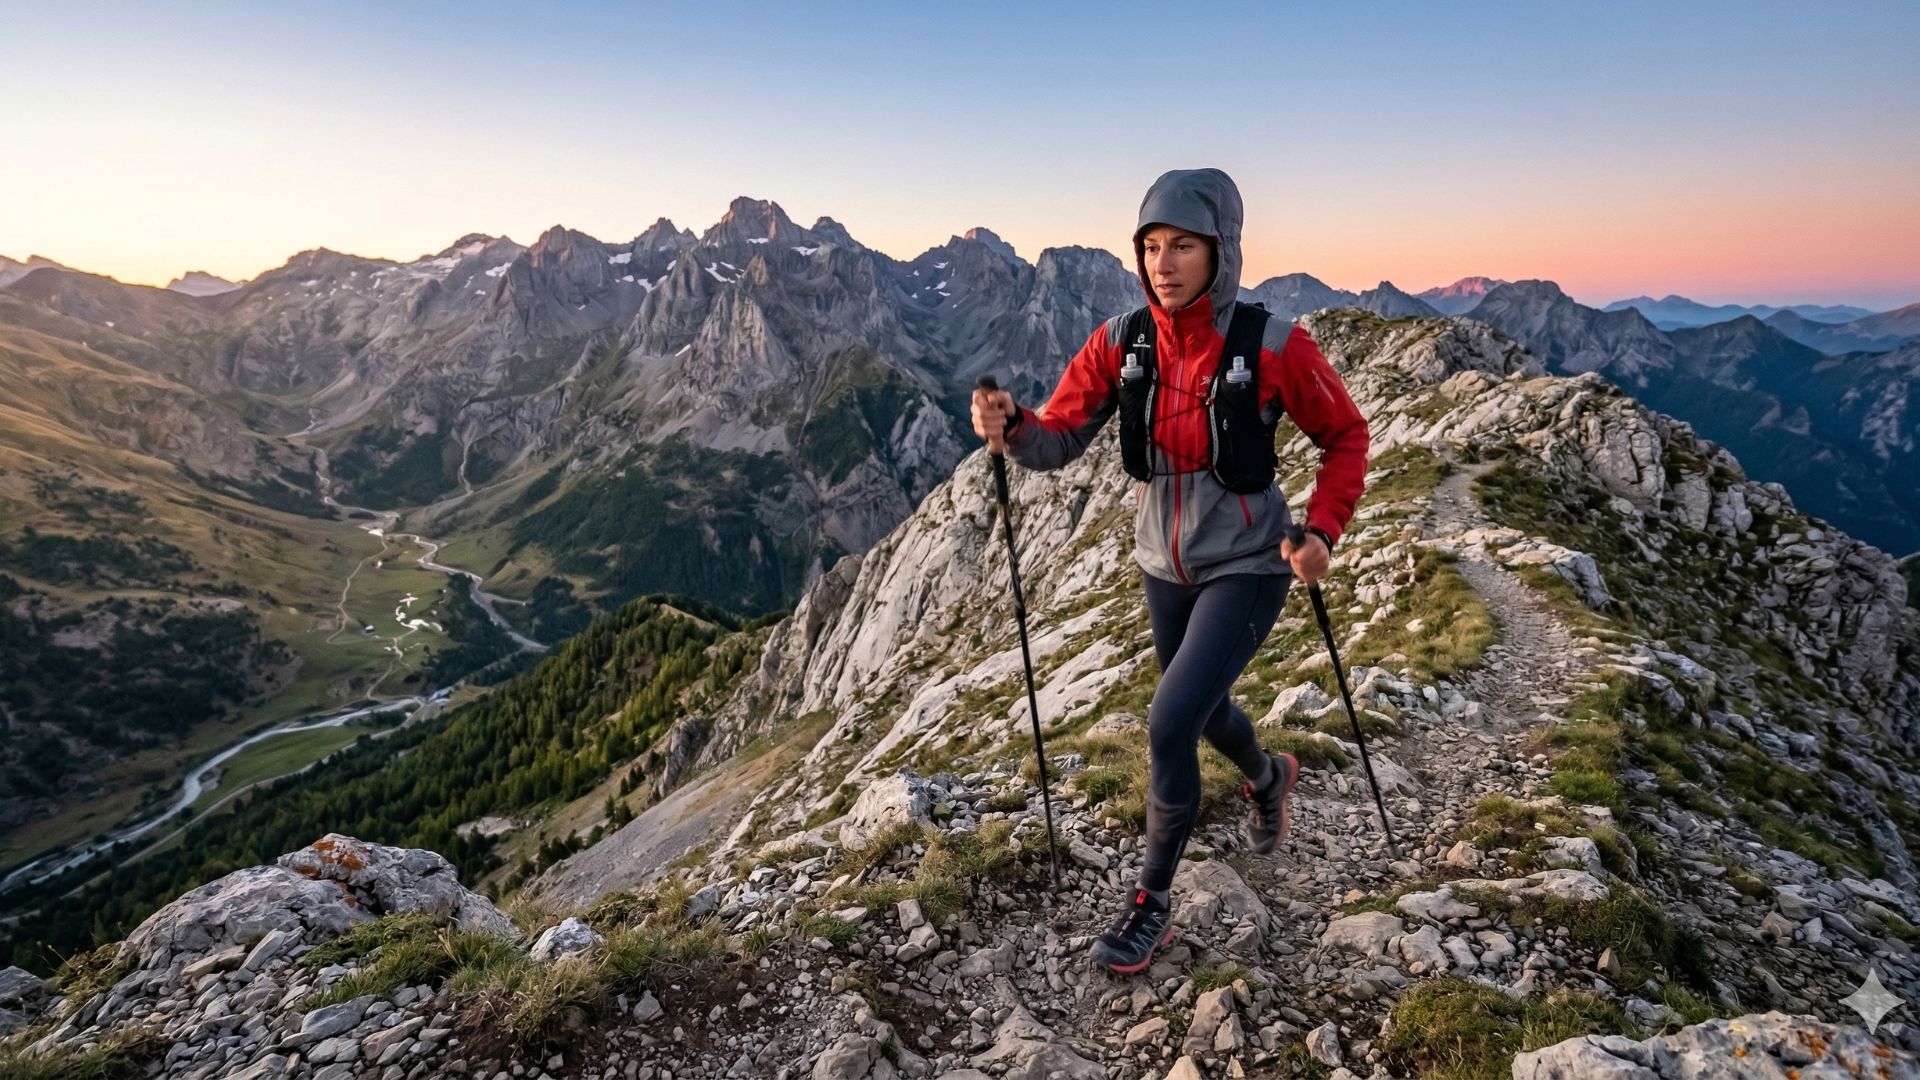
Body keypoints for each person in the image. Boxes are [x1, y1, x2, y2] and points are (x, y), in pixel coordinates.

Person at [970, 168, 1369, 973]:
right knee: (1203, 706)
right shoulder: (1123, 343)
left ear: (1220, 251)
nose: (1163, 261)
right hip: (1164, 564)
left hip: (1251, 564)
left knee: (1167, 720)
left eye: (1182, 244)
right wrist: (1014, 427)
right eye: (1151, 246)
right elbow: (1059, 438)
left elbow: (1347, 439)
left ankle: (1151, 905)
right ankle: (1269, 777)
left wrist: (1321, 530)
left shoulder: (1276, 345)